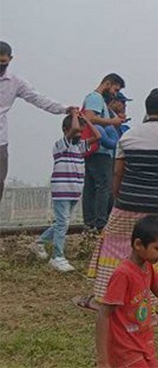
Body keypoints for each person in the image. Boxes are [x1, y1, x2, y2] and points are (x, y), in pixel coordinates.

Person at [77, 89, 158, 313]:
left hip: (126, 204)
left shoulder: (129, 136)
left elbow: (117, 174)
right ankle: (146, 304)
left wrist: (117, 199)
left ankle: (105, 297)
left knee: (114, 249)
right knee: (154, 254)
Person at [95, 215, 158, 368]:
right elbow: (104, 315)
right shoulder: (123, 274)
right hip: (125, 349)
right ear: (138, 244)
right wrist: (102, 361)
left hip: (143, 343)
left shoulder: (147, 266)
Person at [0, 42, 75, 204]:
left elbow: (38, 99)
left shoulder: (15, 82)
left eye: (3, 63)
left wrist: (64, 109)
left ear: (10, 60)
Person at [30, 109, 101, 272]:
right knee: (63, 223)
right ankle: (57, 256)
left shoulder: (80, 147)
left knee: (62, 223)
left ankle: (39, 243)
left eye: (81, 132)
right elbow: (74, 129)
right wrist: (75, 115)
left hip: (74, 190)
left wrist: (86, 120)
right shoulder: (61, 145)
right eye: (76, 131)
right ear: (65, 131)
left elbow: (98, 137)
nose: (79, 134)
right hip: (62, 190)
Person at [82, 73, 127, 231]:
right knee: (103, 186)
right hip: (99, 150)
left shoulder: (100, 101)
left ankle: (91, 221)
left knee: (92, 185)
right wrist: (112, 122)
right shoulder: (95, 98)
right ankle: (100, 223)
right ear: (108, 84)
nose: (115, 94)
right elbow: (89, 117)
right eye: (115, 89)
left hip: (99, 150)